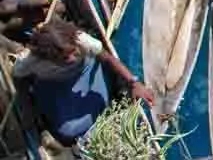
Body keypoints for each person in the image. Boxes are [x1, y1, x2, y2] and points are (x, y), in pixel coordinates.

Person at [12, 19, 153, 146]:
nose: (72, 58)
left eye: (73, 52)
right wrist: (25, 104)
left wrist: (134, 83)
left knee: (102, 102)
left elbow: (107, 58)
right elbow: (18, 78)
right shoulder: (31, 61)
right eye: (64, 57)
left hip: (84, 72)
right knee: (68, 130)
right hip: (54, 85)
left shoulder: (81, 40)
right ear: (49, 56)